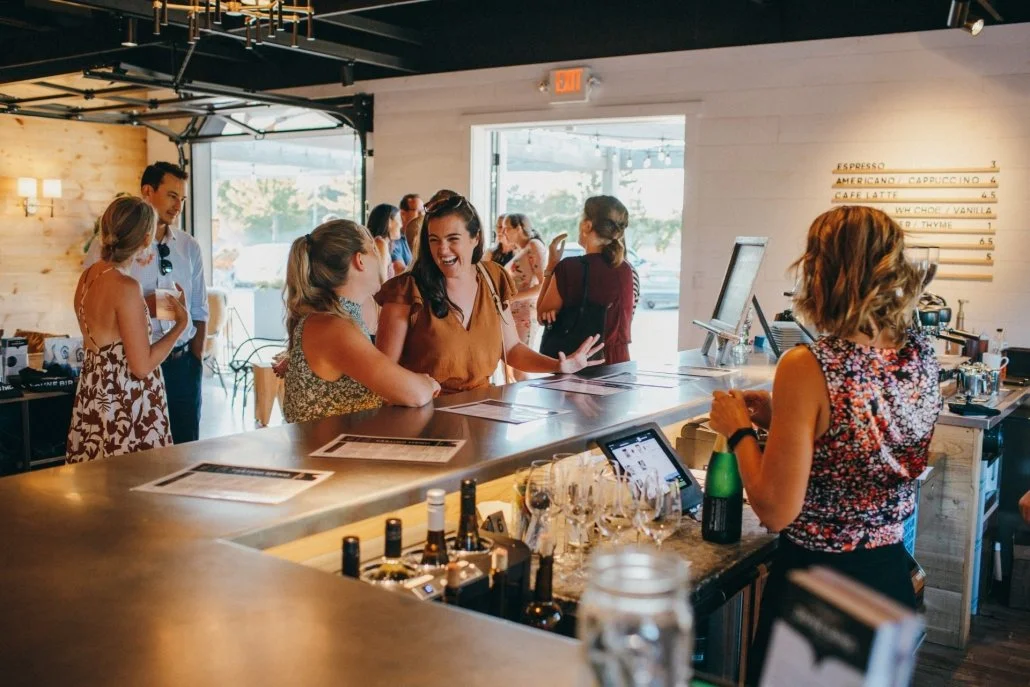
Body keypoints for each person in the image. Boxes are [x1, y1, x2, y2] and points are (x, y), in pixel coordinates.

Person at [706, 206, 942, 680]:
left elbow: (775, 510)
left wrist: (739, 430)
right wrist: (786, 417)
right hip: (889, 581)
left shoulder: (808, 365)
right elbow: (868, 438)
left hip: (817, 596)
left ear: (823, 273)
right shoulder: (919, 354)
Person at [375, 193, 603, 393]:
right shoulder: (405, 290)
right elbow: (384, 373)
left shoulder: (492, 278)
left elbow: (512, 349)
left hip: (483, 416)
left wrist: (557, 366)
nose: (442, 250)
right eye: (434, 240)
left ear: (475, 239)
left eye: (453, 239)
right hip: (426, 420)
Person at [83, 161, 208, 444]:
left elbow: (199, 308)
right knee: (145, 457)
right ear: (147, 191)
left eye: (183, 199)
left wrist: (195, 361)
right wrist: (149, 306)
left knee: (186, 450)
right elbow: (96, 305)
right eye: (172, 196)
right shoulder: (106, 252)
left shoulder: (189, 246)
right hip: (133, 369)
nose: (178, 206)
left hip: (182, 366)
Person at [282, 220, 439, 424]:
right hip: (325, 454)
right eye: (373, 249)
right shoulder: (333, 327)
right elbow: (414, 394)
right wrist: (427, 383)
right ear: (360, 261)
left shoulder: (334, 319)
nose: (381, 258)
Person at [68, 196, 188, 462]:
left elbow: (110, 322)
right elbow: (141, 366)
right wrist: (180, 324)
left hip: (94, 396)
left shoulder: (89, 277)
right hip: (127, 404)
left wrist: (151, 305)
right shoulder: (126, 287)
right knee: (132, 488)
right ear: (146, 240)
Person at [536, 195, 635, 365]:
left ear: (587, 225)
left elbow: (541, 314)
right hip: (620, 362)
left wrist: (552, 266)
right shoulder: (625, 268)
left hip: (579, 362)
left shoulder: (569, 268)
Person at [503, 213, 547, 376]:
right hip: (512, 313)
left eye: (507, 228)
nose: (504, 232)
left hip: (526, 314)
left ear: (519, 227)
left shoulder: (534, 246)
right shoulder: (519, 250)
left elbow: (543, 285)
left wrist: (511, 297)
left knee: (519, 368)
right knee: (511, 366)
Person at [367, 203, 411, 276]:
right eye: (399, 220)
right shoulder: (380, 244)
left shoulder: (385, 244)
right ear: (389, 222)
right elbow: (383, 282)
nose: (401, 225)